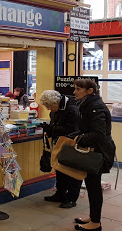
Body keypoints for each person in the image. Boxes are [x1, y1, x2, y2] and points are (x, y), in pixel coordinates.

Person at [72, 79, 116, 231]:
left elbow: (98, 133)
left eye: (78, 89)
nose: (74, 92)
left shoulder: (95, 107)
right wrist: (73, 135)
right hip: (95, 149)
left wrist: (79, 139)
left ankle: (96, 223)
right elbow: (87, 129)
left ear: (90, 91)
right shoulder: (88, 105)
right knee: (91, 185)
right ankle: (93, 217)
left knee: (94, 186)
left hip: (100, 151)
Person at [39, 90, 81, 208]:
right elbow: (56, 125)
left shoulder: (72, 110)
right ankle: (60, 194)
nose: (48, 109)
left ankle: (72, 198)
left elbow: (72, 130)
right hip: (60, 143)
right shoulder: (56, 110)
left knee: (72, 171)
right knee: (60, 169)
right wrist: (50, 129)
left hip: (72, 144)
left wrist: (52, 129)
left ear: (55, 103)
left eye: (48, 106)